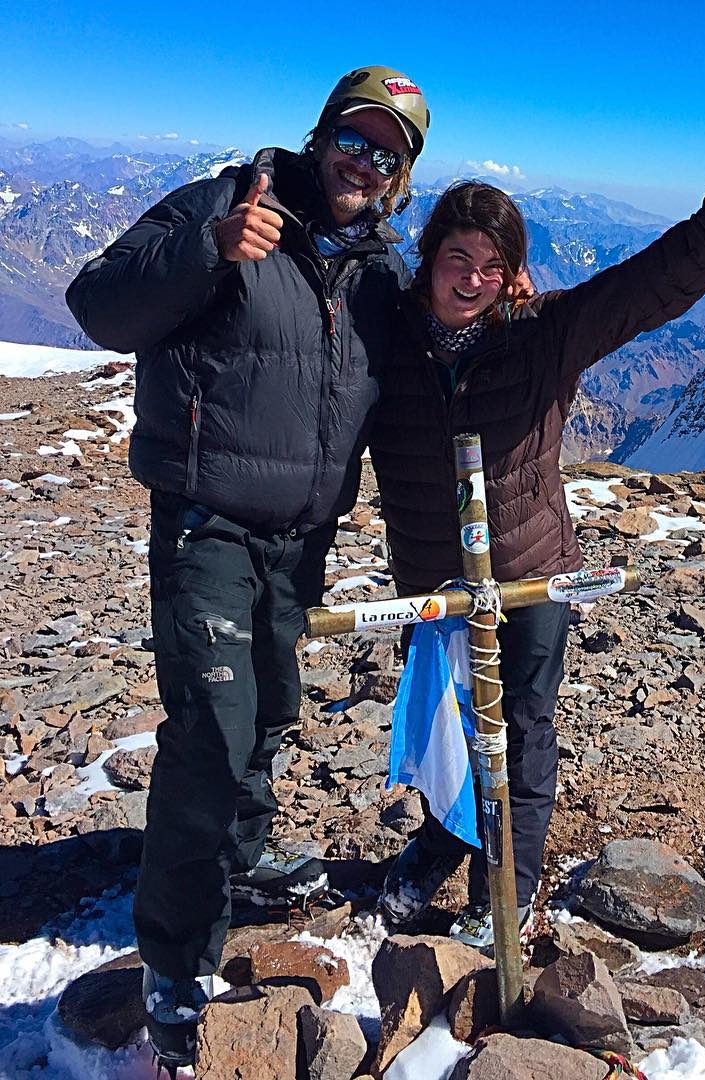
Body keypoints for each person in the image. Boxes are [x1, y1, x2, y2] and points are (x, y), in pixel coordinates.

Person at [65, 65, 429, 1071]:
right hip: (207, 524)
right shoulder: (227, 205)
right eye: (353, 139)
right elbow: (98, 303)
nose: (365, 161)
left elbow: (428, 368)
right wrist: (209, 254)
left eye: (387, 153)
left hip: (302, 535)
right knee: (212, 737)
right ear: (318, 136)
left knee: (269, 708)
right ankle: (175, 960)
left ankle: (245, 851)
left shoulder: (379, 272)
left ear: (400, 177)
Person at [371, 144, 705, 949]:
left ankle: (503, 888)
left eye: (492, 263)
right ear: (429, 260)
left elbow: (650, 287)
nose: (472, 278)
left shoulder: (543, 335)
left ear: (513, 272)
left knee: (521, 726)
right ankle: (443, 840)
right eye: (457, 258)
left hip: (532, 580)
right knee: (447, 726)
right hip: (435, 584)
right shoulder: (383, 338)